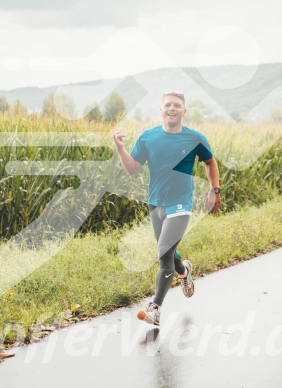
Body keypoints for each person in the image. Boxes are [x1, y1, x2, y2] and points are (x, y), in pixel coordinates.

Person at [112, 91, 222, 326]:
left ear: (184, 111)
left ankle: (155, 308)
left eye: (177, 105)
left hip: (181, 202)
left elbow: (210, 162)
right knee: (169, 252)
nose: (172, 108)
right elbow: (132, 168)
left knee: (163, 253)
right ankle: (184, 271)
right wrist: (121, 148)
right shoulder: (148, 137)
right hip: (156, 202)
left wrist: (214, 190)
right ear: (160, 110)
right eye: (167, 105)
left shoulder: (195, 138)